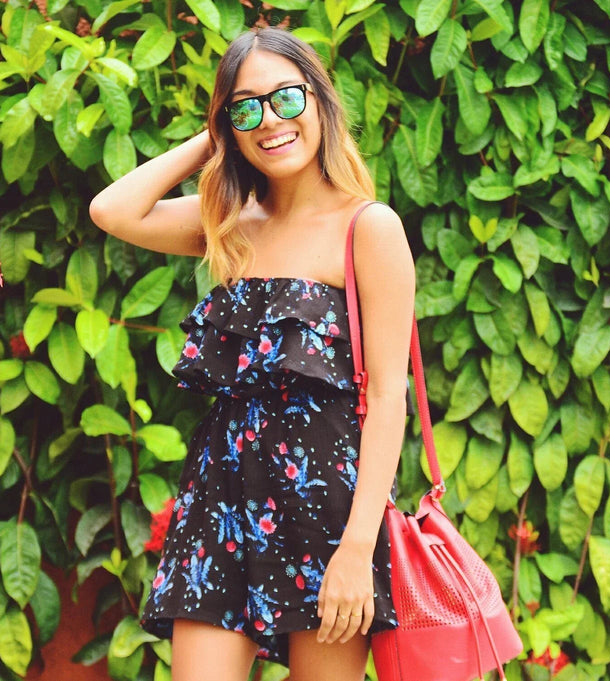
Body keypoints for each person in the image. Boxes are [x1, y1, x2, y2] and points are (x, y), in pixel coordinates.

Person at [89, 27, 415, 681]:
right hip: (224, 498)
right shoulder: (232, 223)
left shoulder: (368, 227)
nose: (270, 120)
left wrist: (356, 548)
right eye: (247, 108)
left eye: (286, 99)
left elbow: (386, 399)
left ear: (321, 100)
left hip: (330, 510)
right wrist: (215, 136)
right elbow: (112, 210)